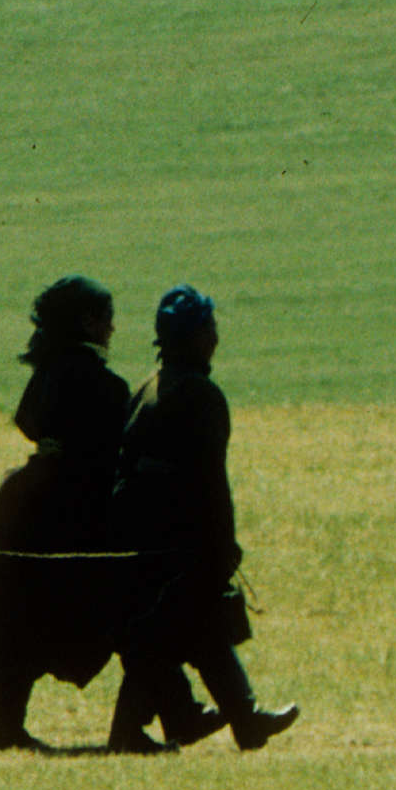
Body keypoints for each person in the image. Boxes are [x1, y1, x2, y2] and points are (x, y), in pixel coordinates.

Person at [114, 284, 292, 753]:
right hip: (182, 541)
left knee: (198, 627)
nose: (215, 337)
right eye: (209, 328)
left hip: (141, 539)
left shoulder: (144, 389)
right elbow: (211, 479)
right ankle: (128, 733)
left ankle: (244, 719)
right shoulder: (201, 395)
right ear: (195, 337)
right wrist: (223, 542)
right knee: (171, 634)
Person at [0, 278, 136, 754]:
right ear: (88, 322)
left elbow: (27, 420)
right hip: (77, 506)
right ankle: (144, 721)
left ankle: (3, 725)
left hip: (33, 497)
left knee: (18, 616)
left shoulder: (45, 372)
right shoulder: (102, 383)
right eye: (106, 317)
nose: (112, 327)